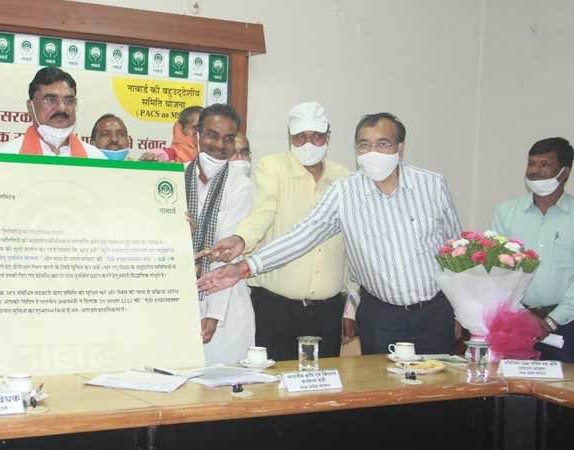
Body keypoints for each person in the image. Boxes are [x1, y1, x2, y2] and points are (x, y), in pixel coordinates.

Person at [198, 112, 462, 355]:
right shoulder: (345, 192)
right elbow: (303, 235)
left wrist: (460, 312)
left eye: (382, 144)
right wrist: (244, 266)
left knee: (440, 388)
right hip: (381, 316)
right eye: (364, 145)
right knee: (382, 389)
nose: (372, 152)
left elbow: (456, 251)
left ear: (400, 148)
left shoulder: (432, 185)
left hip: (434, 312)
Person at [222, 102, 353, 360]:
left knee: (324, 381)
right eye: (300, 137)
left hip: (328, 312)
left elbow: (353, 245)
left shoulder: (344, 177)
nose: (308, 143)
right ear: (289, 136)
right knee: (274, 381)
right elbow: (262, 213)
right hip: (275, 309)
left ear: (328, 135)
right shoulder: (272, 168)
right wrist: (241, 239)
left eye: (316, 136)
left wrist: (351, 307)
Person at [492, 137, 574, 364]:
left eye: (544, 164)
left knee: (563, 386)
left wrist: (554, 320)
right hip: (515, 321)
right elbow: (496, 270)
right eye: (531, 163)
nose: (535, 171)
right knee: (512, 386)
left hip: (566, 324)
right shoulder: (506, 212)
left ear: (564, 172)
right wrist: (523, 315)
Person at [187, 104, 254, 365]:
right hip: (178, 297)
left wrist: (213, 314)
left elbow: (226, 253)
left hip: (226, 305)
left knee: (224, 381)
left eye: (228, 138)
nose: (220, 145)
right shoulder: (174, 176)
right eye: (212, 135)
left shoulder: (240, 184)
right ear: (197, 135)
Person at [0, 67, 105, 158]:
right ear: (30, 107)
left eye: (69, 100)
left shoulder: (95, 158)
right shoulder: (8, 157)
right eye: (50, 100)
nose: (61, 108)